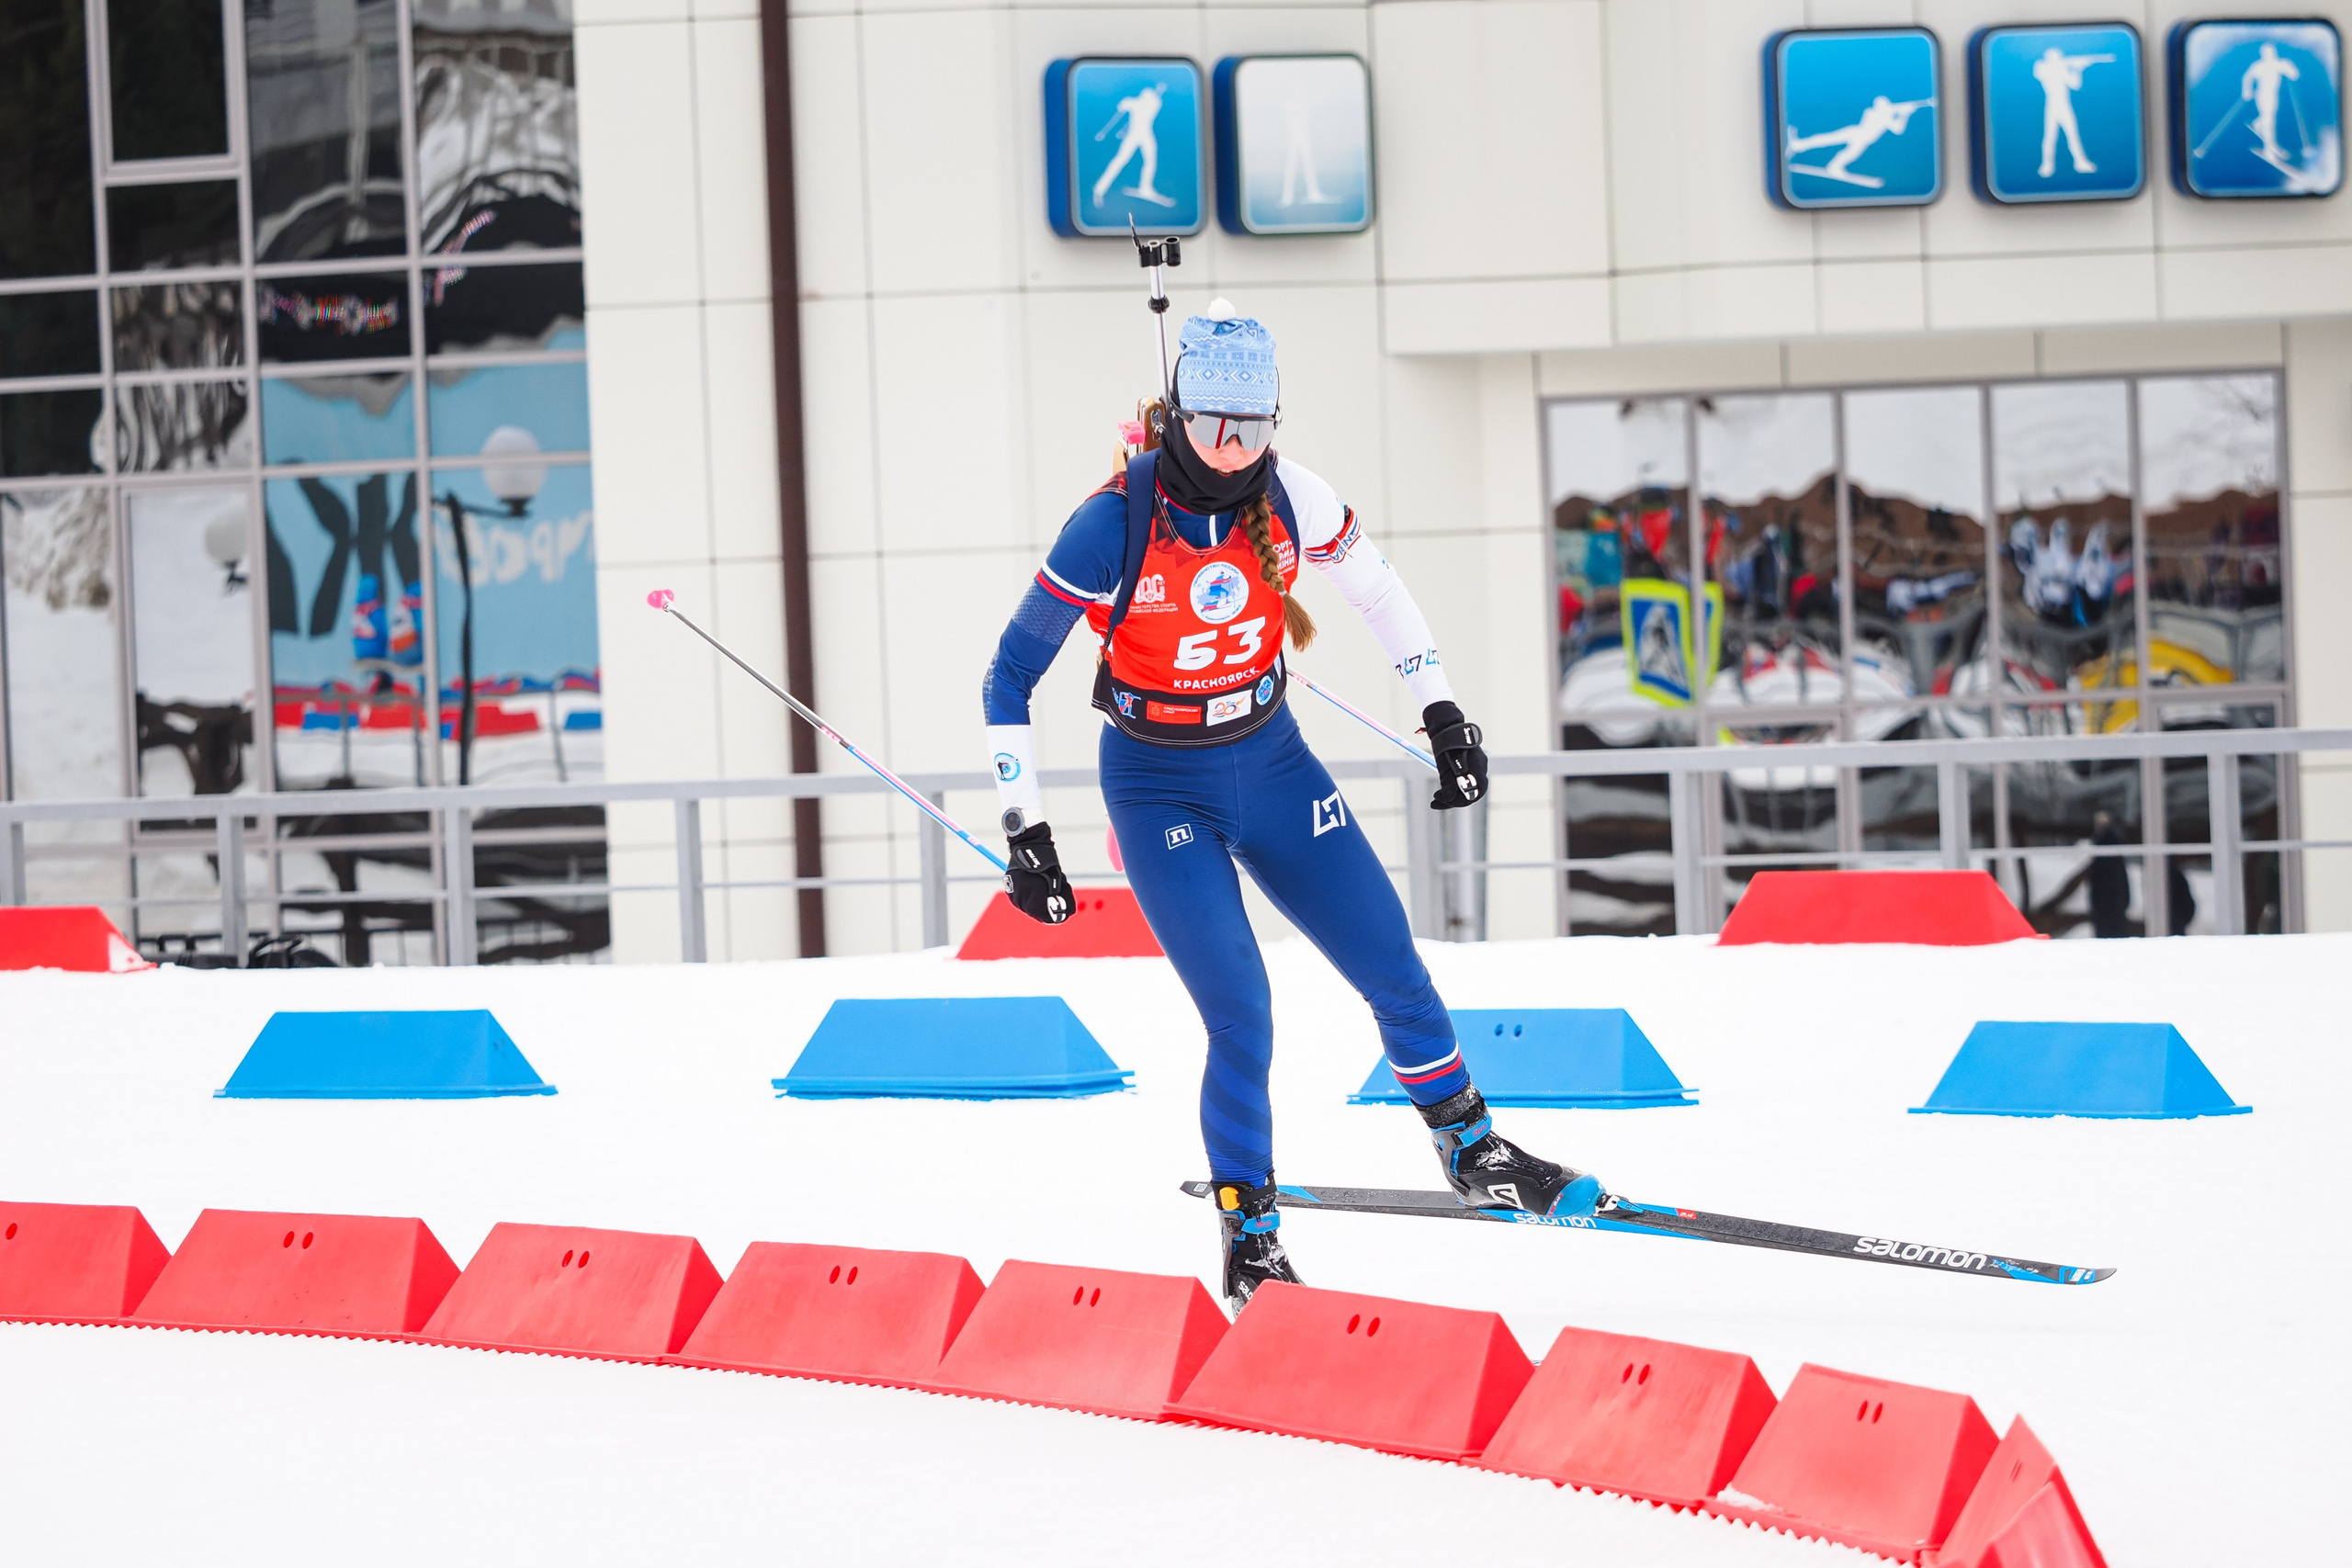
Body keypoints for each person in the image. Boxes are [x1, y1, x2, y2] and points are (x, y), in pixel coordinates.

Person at [979, 303, 1600, 1306]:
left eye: (1255, 428)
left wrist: (1444, 715)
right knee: (1242, 1014)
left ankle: (1472, 1148)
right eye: (1216, 425)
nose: (1233, 450)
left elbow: (1382, 595)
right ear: (1178, 411)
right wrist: (1027, 831)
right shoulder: (1111, 524)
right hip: (1155, 786)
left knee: (1392, 963)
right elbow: (1010, 677)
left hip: (1270, 763)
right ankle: (1251, 1239)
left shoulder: (1294, 500)